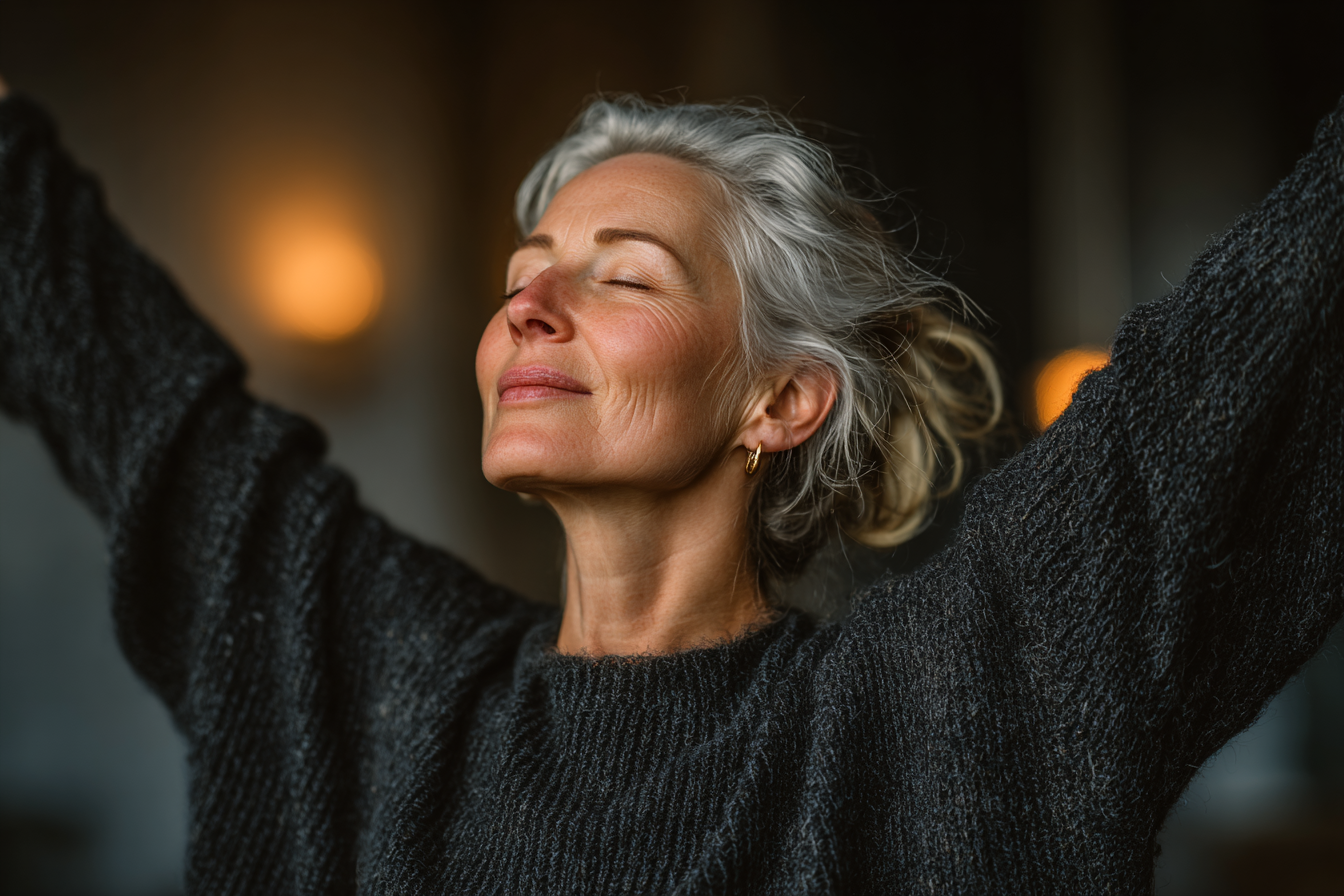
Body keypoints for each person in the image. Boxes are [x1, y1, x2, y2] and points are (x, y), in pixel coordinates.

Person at [0, 70, 1340, 892]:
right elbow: (118, 351)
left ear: (781, 398)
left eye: (622, 273)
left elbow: (1231, 378)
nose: (531, 307)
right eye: (524, 274)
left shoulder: (948, 706)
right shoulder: (368, 677)